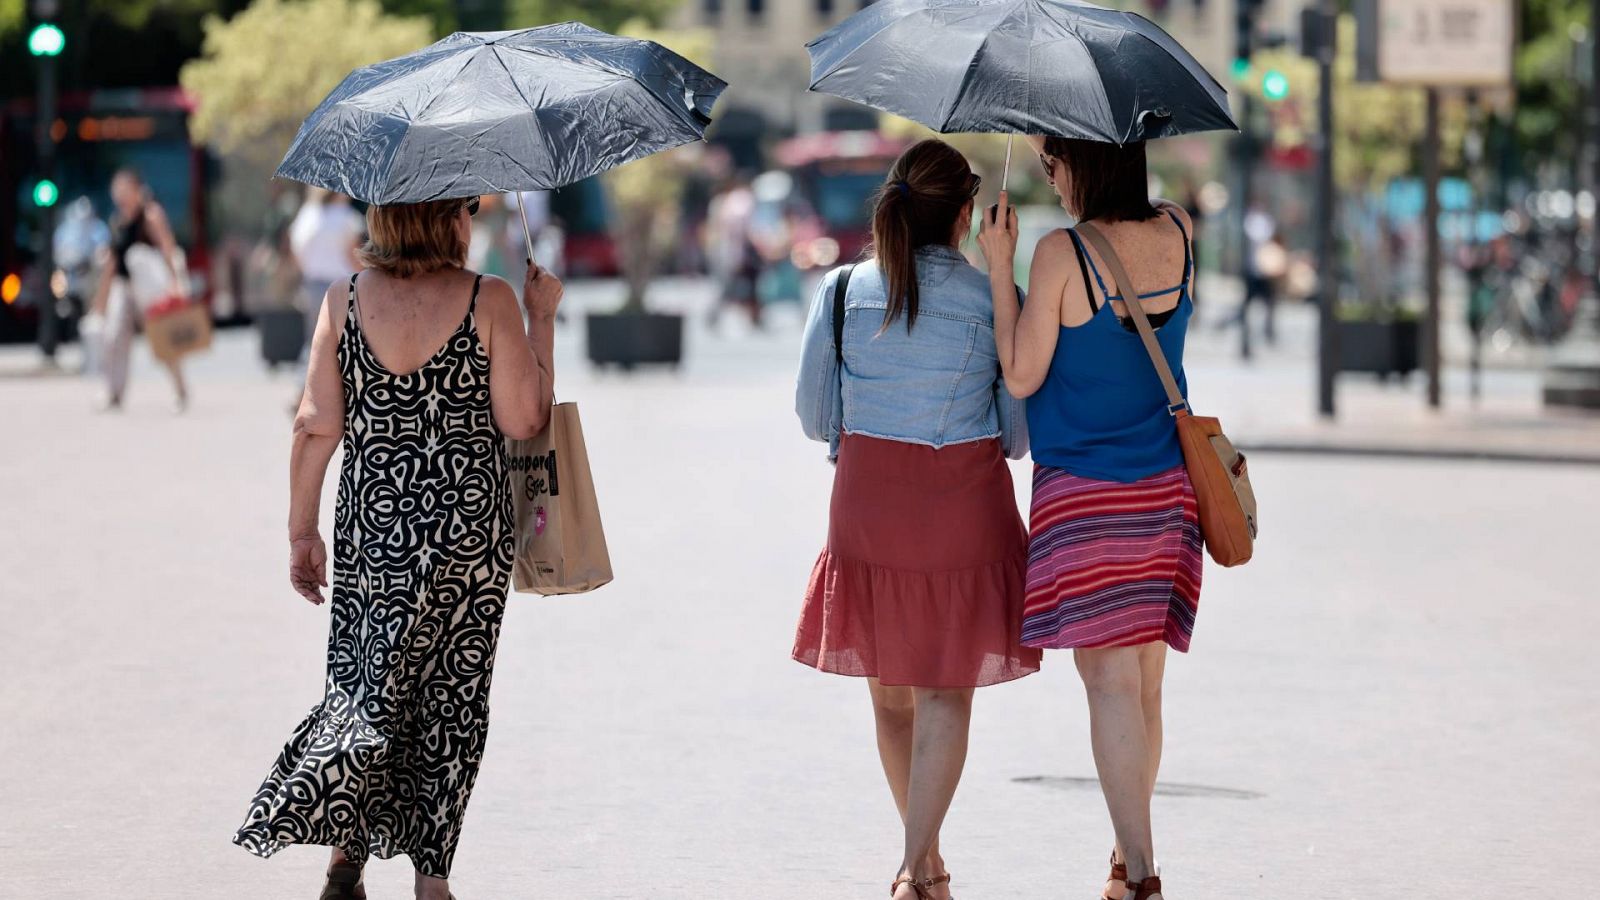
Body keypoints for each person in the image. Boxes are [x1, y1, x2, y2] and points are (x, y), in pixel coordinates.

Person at [232, 195, 562, 900]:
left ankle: (344, 859)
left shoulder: (345, 299)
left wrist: (301, 531)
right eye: (465, 208)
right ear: (447, 219)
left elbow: (315, 425)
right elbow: (526, 417)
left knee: (367, 685)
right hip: (468, 538)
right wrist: (544, 319)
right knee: (451, 699)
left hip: (374, 532)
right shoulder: (490, 299)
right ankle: (432, 881)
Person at [793, 139, 1039, 900]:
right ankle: (915, 863)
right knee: (944, 693)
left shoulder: (839, 291)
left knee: (889, 693)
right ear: (968, 215)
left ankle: (923, 863)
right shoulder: (992, 298)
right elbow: (1017, 435)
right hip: (962, 504)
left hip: (868, 503)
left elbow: (814, 416)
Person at [978, 135, 1204, 900]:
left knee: (1108, 683)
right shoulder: (1178, 229)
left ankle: (1142, 874)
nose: (1051, 177)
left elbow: (1020, 372)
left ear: (1081, 164)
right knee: (1143, 685)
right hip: (1167, 491)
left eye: (1052, 164)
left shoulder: (1058, 255)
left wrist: (999, 272)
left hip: (1086, 495)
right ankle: (1124, 856)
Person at [90, 168, 190, 410]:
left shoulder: (150, 215)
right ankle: (114, 393)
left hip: (149, 289)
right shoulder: (118, 221)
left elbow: (167, 247)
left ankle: (180, 390)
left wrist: (175, 282)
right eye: (117, 191)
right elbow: (112, 263)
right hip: (124, 288)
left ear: (137, 190)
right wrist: (100, 300)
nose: (121, 195)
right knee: (114, 338)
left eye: (125, 190)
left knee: (162, 339)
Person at [288, 188, 364, 350]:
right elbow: (354, 256)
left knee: (315, 340)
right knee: (345, 341)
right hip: (344, 285)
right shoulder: (347, 216)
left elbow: (297, 251)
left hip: (313, 285)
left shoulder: (307, 214)